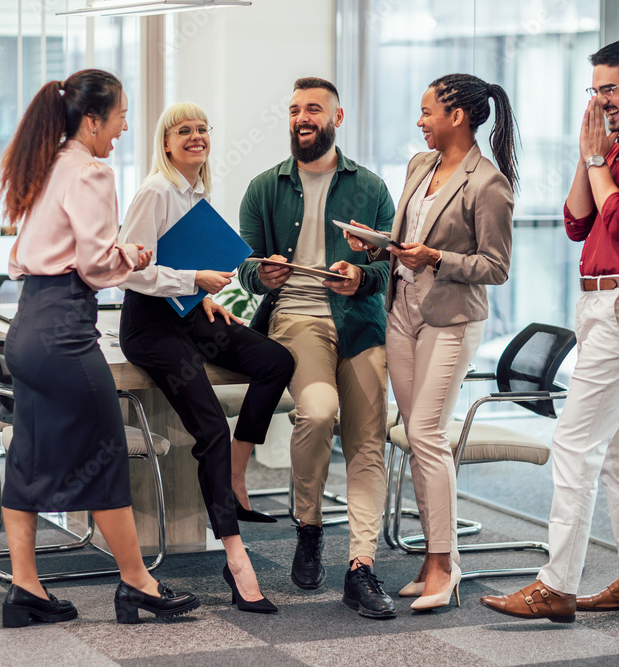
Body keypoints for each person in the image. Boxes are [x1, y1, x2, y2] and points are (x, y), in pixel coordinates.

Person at [481, 39, 619, 623]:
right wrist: (587, 154)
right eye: (594, 90)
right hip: (600, 305)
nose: (601, 100)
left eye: (610, 89)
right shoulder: (615, 149)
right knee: (617, 449)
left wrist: (601, 164)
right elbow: (578, 221)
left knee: (574, 442)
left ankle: (557, 584)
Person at [0, 69, 200, 628]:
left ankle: (26, 589)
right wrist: (131, 256)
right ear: (92, 120)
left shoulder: (46, 163)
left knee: (28, 458)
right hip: (63, 329)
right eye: (120, 116)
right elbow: (93, 263)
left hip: (27, 325)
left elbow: (36, 251)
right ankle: (138, 583)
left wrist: (116, 252)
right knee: (107, 452)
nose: (125, 126)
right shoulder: (90, 170)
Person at [345, 73, 516, 611]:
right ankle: (430, 561)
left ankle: (446, 565)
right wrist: (375, 249)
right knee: (419, 438)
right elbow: (405, 243)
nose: (419, 122)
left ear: (457, 116)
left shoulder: (488, 184)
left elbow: (496, 267)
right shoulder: (420, 167)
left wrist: (437, 258)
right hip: (403, 312)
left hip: (451, 319)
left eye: (427, 112)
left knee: (426, 431)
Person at [118, 102, 294, 614]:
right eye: (183, 131)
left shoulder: (195, 191)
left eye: (202, 129)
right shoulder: (155, 191)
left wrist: (203, 295)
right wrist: (193, 281)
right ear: (166, 143)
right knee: (211, 429)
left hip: (190, 314)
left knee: (275, 362)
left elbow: (180, 264)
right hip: (151, 328)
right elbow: (128, 271)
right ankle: (236, 556)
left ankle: (238, 474)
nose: (196, 137)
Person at [237, 77, 398, 619]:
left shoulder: (371, 188)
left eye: (313, 109)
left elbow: (389, 264)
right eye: (294, 110)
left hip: (358, 323)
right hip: (296, 319)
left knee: (366, 440)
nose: (302, 118)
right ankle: (308, 525)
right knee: (318, 409)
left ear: (337, 117)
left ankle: (361, 565)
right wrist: (265, 274)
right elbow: (246, 270)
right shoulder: (264, 188)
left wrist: (361, 275)